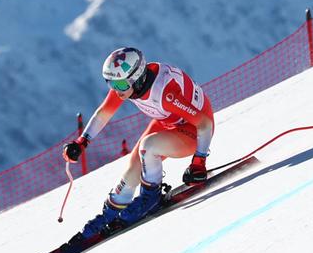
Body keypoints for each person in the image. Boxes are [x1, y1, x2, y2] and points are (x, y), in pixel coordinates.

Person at [63, 46, 215, 237]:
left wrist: (199, 162)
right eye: (110, 83)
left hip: (194, 130)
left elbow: (205, 123)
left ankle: (150, 198)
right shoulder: (128, 86)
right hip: (168, 121)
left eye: (119, 85)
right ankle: (109, 214)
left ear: (136, 78)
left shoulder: (164, 93)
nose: (115, 90)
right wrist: (82, 142)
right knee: (131, 173)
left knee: (148, 147)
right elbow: (103, 113)